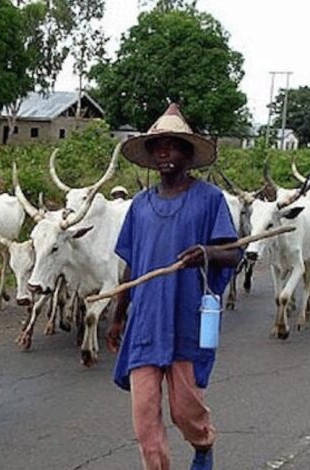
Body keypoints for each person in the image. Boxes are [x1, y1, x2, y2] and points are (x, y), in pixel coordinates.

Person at [105, 104, 241, 470]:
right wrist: (118, 316)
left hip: (186, 318)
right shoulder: (140, 206)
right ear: (150, 154)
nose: (165, 152)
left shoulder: (210, 200)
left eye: (174, 145)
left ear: (188, 154)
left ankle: (203, 444)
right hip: (145, 322)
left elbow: (234, 254)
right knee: (145, 418)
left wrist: (208, 251)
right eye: (158, 146)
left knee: (185, 411)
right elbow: (131, 266)